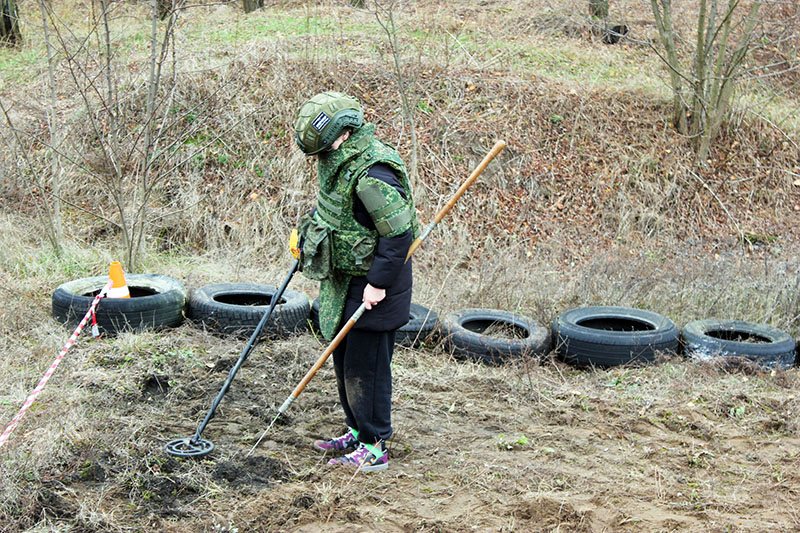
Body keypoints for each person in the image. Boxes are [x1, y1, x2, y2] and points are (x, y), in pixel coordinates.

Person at [293, 91, 418, 472]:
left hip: (374, 288)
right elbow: (333, 208)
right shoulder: (340, 162)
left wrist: (378, 283)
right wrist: (308, 238)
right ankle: (356, 429)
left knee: (368, 368)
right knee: (345, 362)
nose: (319, 158)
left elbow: (399, 235)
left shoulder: (373, 173)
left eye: (323, 147)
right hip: (344, 280)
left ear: (344, 133)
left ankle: (375, 443)